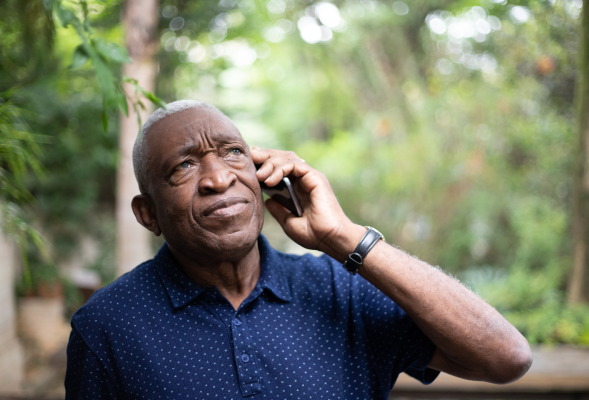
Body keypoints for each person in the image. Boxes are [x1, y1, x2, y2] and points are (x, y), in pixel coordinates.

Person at [65, 100, 532, 399]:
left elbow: (505, 357)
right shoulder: (107, 326)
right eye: (183, 166)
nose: (218, 178)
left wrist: (343, 237)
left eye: (232, 153)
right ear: (148, 215)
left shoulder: (340, 290)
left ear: (262, 172)